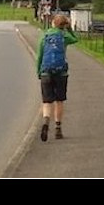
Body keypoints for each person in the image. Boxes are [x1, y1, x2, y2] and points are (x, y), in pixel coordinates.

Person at [35, 12, 78, 141]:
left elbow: (40, 56)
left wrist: (39, 71)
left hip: (46, 72)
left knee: (47, 101)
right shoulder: (65, 36)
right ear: (64, 25)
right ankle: (58, 128)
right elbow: (76, 39)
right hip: (61, 72)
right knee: (59, 100)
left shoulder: (45, 36)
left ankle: (46, 121)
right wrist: (69, 28)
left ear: (53, 22)